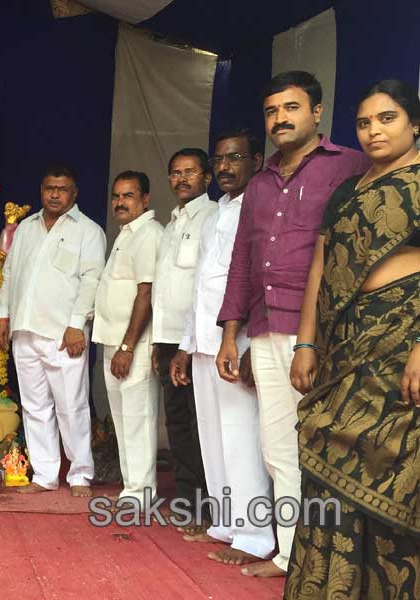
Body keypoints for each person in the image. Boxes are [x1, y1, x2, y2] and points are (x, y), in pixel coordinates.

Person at [215, 71, 370, 577]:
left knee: (329, 444)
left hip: (325, 334)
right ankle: (289, 554)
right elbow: (242, 259)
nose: (280, 119)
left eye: (291, 108)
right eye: (271, 111)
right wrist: (228, 335)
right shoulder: (259, 184)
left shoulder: (350, 166)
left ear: (317, 112)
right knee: (278, 446)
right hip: (263, 329)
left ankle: (335, 561)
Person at [285, 79, 419, 599]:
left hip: (402, 341)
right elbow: (320, 265)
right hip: (347, 343)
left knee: (388, 465)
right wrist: (306, 342)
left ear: (414, 124)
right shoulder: (348, 190)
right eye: (364, 122)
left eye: (387, 119)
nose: (373, 130)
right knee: (328, 461)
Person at [170, 130, 275, 566]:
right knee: (212, 437)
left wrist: (236, 338)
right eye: (219, 160)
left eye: (235, 158)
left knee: (239, 437)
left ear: (256, 159)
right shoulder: (215, 214)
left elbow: (253, 281)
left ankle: (256, 535)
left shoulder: (260, 207)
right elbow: (202, 287)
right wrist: (184, 345)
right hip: (203, 343)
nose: (225, 167)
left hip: (237, 339)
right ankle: (227, 523)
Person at [0, 164, 106, 497]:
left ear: (74, 193)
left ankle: (81, 474)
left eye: (62, 189)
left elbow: (91, 280)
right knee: (34, 406)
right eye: (49, 188)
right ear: (42, 190)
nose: (55, 194)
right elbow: (11, 274)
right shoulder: (26, 228)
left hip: (63, 335)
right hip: (25, 330)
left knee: (71, 405)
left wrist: (76, 325)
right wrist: (3, 315)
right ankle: (44, 474)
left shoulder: (88, 231)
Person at [151, 148, 217, 524]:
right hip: (167, 339)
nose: (181, 179)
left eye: (190, 172)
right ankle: (189, 501)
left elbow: (202, 288)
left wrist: (187, 345)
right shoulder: (172, 223)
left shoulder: (212, 217)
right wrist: (158, 341)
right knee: (176, 422)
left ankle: (209, 505)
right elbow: (165, 289)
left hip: (194, 342)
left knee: (199, 422)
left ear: (206, 177)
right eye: (175, 173)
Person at [91, 171, 163, 507]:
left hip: (131, 346)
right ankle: (132, 488)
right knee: (122, 420)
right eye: (116, 195)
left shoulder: (148, 233)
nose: (120, 202)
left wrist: (127, 346)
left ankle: (141, 493)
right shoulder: (125, 234)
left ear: (145, 199)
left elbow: (145, 293)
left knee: (137, 419)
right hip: (113, 343)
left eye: (129, 196)